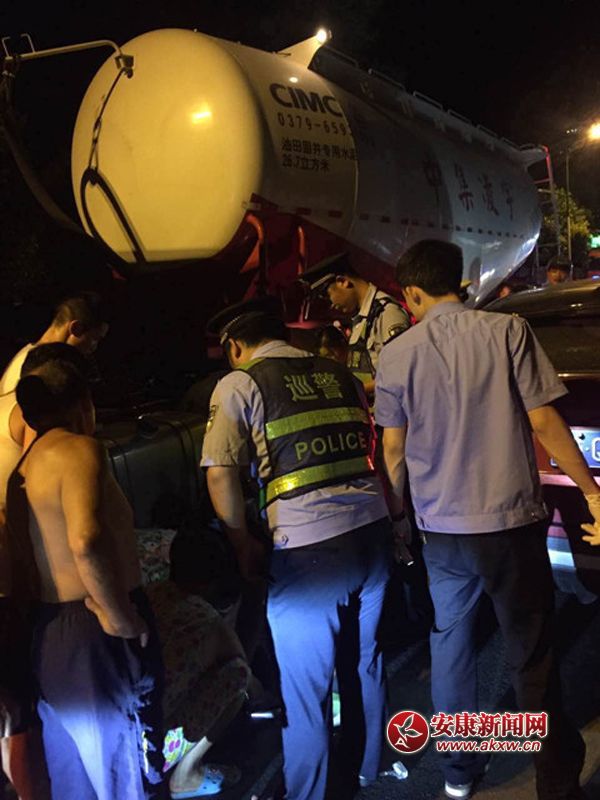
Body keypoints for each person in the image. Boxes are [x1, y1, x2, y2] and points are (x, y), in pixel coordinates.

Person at [375, 239, 600, 800]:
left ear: (412, 294)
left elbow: (393, 451)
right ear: (461, 281)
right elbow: (544, 421)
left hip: (441, 532)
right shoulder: (507, 332)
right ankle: (555, 781)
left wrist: (399, 519)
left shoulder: (397, 354)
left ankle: (457, 773)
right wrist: (591, 492)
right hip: (510, 527)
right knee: (531, 653)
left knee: (450, 644)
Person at [200, 298, 394, 800]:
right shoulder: (341, 375)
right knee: (364, 660)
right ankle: (367, 766)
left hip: (309, 552)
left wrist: (241, 543)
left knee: (306, 689)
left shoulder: (240, 383)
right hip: (373, 535)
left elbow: (220, 472)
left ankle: (310, 792)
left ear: (235, 345)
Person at [6, 351, 165, 800]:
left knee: (75, 780)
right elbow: (85, 540)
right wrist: (120, 616)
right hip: (95, 632)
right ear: (83, 404)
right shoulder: (80, 449)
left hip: (49, 633)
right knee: (124, 774)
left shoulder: (21, 472)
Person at [302, 253, 410, 397]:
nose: (331, 304)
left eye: (327, 296)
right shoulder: (361, 318)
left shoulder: (386, 313)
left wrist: (353, 391)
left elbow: (402, 375)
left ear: (342, 282)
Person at [0, 292, 109, 395]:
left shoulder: (28, 357)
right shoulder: (42, 370)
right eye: (95, 339)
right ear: (76, 329)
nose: (94, 347)